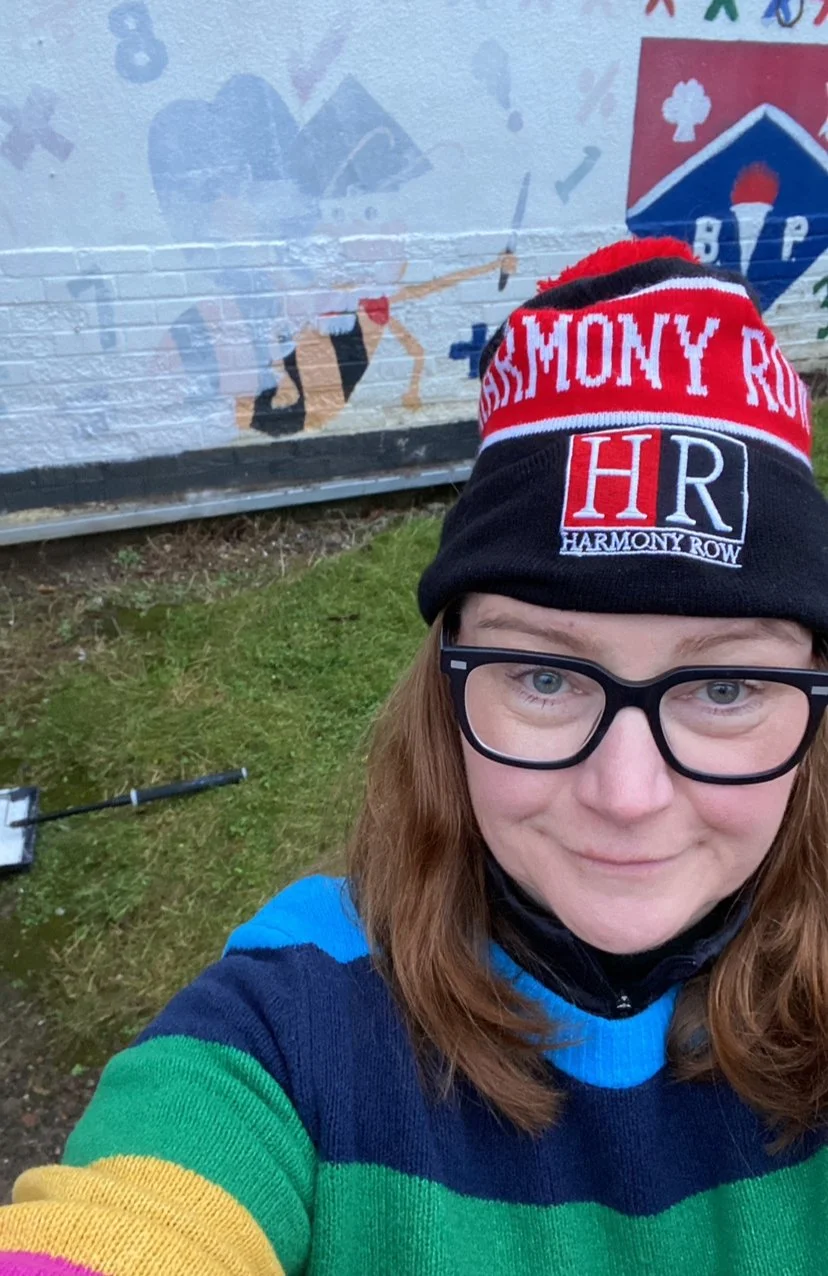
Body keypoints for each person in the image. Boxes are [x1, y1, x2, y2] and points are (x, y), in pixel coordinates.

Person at [3, 235, 828, 1275]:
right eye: (544, 677)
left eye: (725, 688)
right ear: (447, 690)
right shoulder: (294, 1020)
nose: (627, 794)